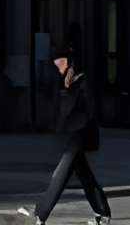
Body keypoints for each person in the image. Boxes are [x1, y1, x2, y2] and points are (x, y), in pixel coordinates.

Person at [36, 50, 111, 223]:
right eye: (56, 63)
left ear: (70, 62)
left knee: (60, 175)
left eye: (61, 62)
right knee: (85, 176)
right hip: (72, 135)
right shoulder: (62, 84)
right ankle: (103, 213)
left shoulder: (82, 81)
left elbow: (90, 111)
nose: (58, 66)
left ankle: (40, 214)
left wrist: (77, 127)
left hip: (81, 135)